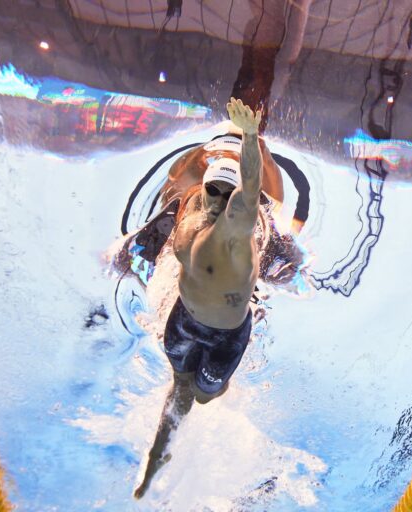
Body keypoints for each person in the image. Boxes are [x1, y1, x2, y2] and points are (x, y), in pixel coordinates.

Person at [134, 98, 272, 499]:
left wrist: (249, 137)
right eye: (215, 188)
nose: (223, 198)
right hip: (183, 320)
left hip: (226, 337)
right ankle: (156, 461)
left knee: (202, 396)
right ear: (205, 188)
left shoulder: (235, 229)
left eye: (230, 193)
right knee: (178, 390)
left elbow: (249, 191)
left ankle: (219, 390)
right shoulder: (190, 217)